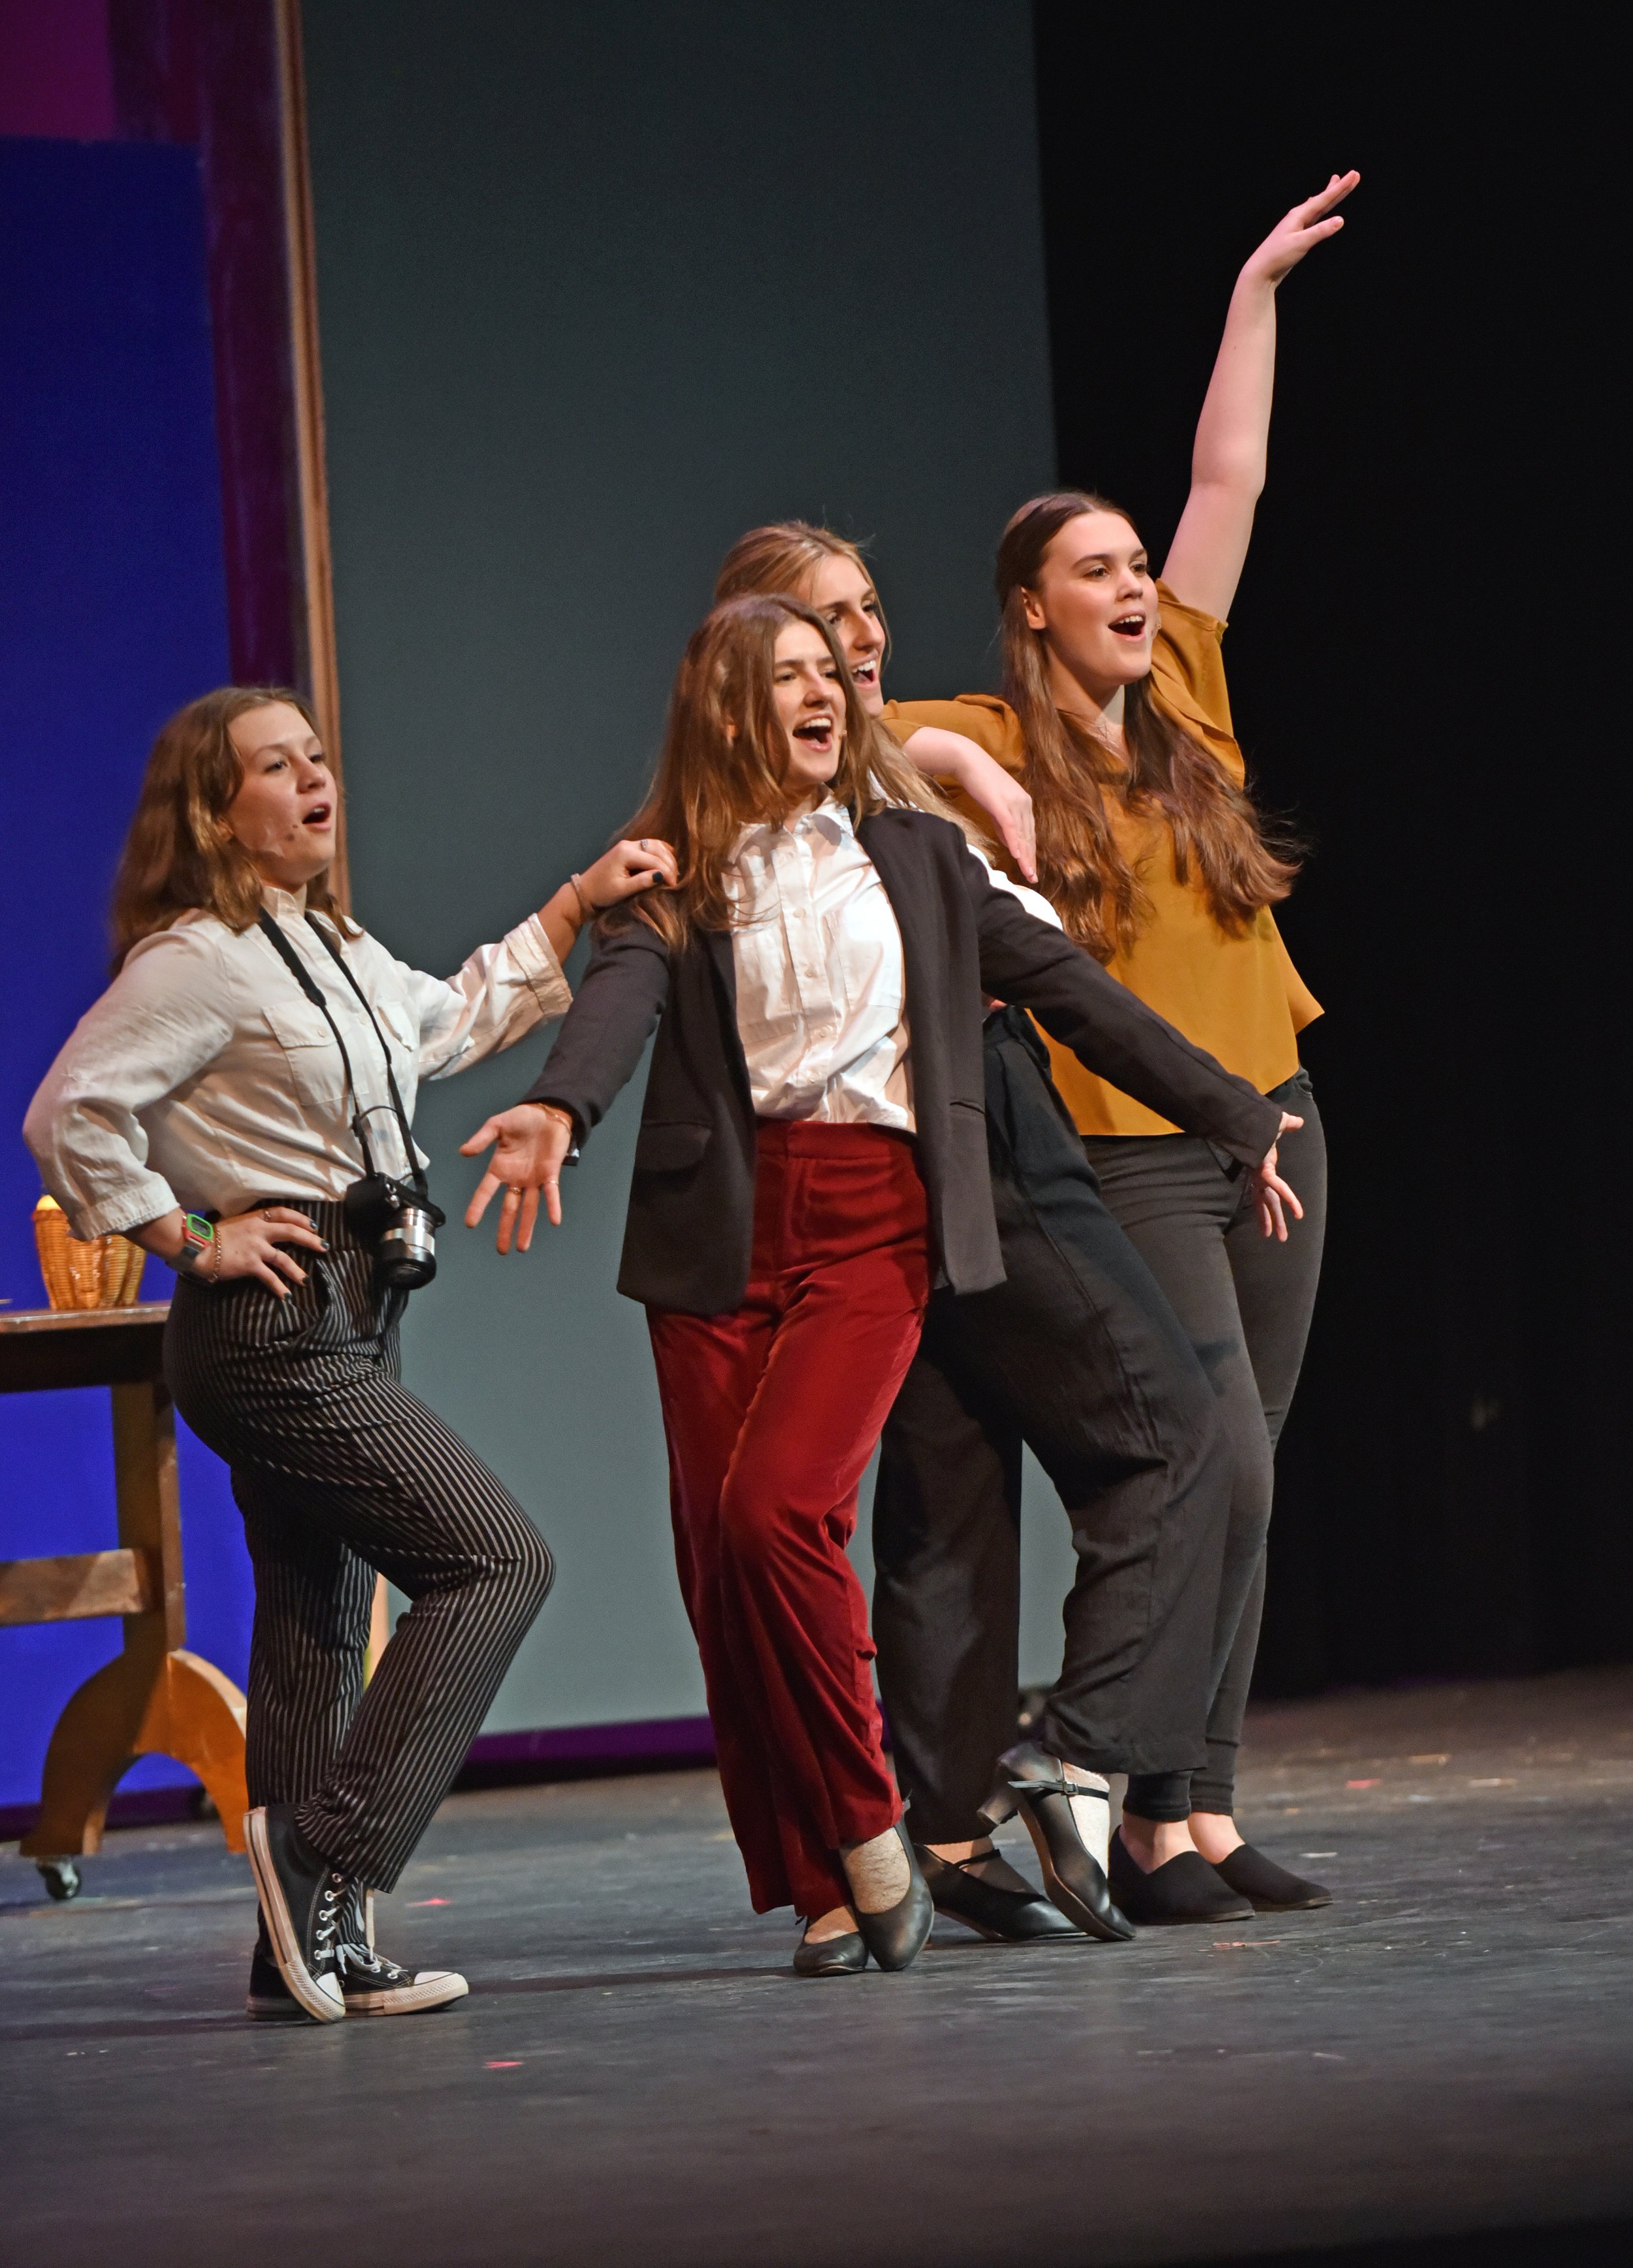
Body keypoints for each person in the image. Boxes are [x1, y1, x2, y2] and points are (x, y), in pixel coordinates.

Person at [460, 596, 1293, 1975]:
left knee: (778, 1507)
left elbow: (1073, 993)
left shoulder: (913, 854)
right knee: (725, 1562)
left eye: (826, 676)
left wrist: (1231, 1112)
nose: (823, 694)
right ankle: (829, 1888)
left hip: (872, 1221)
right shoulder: (678, 872)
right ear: (728, 710)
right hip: (721, 1237)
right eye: (785, 677)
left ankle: (865, 1828)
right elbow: (616, 1001)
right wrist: (559, 1110)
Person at [24, 685, 675, 2022]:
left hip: (355, 1311)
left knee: (318, 1615)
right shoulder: (195, 958)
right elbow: (71, 1111)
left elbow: (444, 1020)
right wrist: (185, 1230)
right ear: (217, 811)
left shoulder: (318, 946)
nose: (317, 780)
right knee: (496, 1558)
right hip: (270, 1328)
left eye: (318, 758)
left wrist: (577, 898)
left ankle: (305, 1949)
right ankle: (321, 1849)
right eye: (278, 766)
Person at [880, 174, 1355, 1921]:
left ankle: (1190, 1811)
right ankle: (1118, 1781)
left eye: (1136, 565)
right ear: (1030, 606)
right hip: (1134, 1142)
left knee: (1257, 1470)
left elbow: (1224, 477)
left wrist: (1249, 288)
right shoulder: (981, 719)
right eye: (1098, 570)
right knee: (1209, 1454)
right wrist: (966, 771)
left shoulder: (1191, 699)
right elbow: (809, 709)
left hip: (1274, 1116)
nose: (1137, 585)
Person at [712, 523, 1292, 1940]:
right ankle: (991, 1804)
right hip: (900, 1176)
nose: (856, 647)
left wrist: (1227, 1109)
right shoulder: (786, 804)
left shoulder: (894, 780)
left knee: (1028, 1479)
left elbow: (1044, 963)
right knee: (964, 1498)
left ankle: (1016, 1800)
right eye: (814, 633)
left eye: (865, 613)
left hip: (964, 1136)